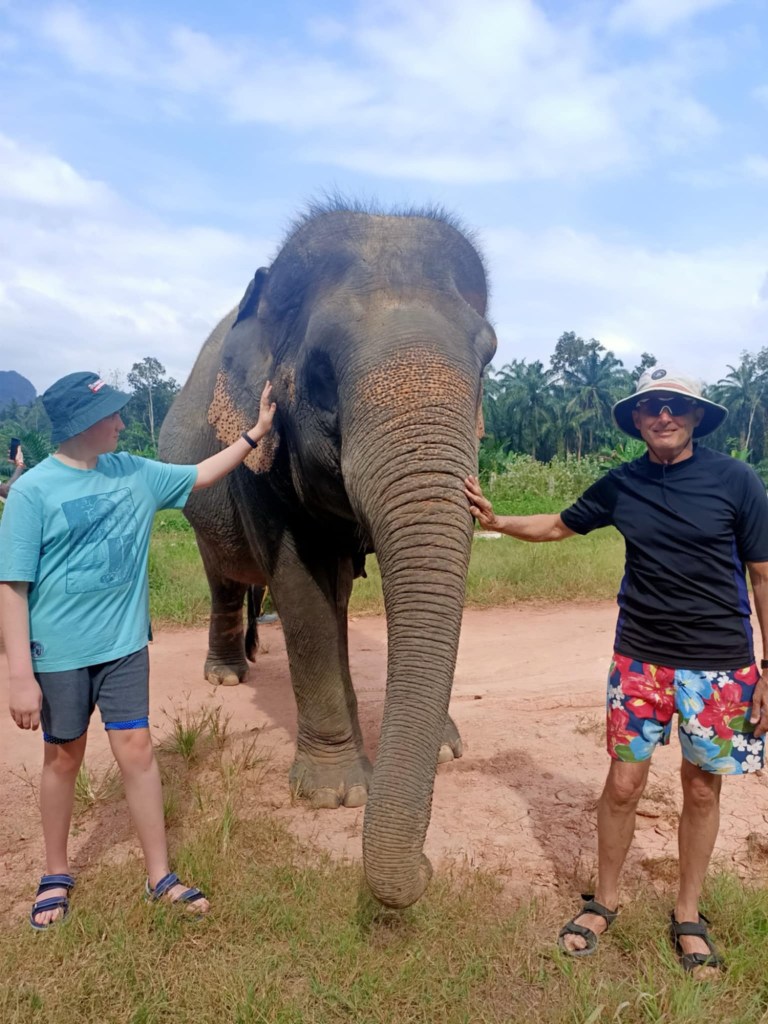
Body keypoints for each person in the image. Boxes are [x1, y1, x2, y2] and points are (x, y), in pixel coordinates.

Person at [465, 365, 768, 978]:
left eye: (675, 405)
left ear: (696, 417)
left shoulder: (736, 480)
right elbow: (558, 525)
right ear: (636, 419)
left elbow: (763, 573)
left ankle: (688, 913)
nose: (664, 415)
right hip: (639, 661)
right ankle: (604, 901)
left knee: (701, 788)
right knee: (624, 785)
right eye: (651, 406)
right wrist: (497, 522)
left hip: (719, 667)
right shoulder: (622, 483)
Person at [0, 371, 276, 929]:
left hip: (124, 647)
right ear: (82, 422)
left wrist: (256, 432)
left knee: (138, 750)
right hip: (59, 654)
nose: (123, 424)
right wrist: (20, 676)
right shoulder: (32, 492)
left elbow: (201, 474)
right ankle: (56, 872)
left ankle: (160, 875)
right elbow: (12, 587)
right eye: (113, 414)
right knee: (63, 757)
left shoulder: (134, 473)